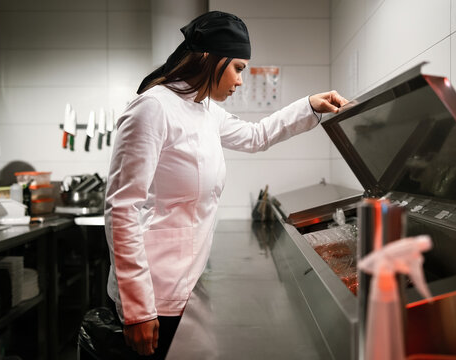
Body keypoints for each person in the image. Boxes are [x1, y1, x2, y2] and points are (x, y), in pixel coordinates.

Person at [104, 10, 348, 359]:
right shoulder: (153, 109)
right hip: (152, 296)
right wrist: (136, 308)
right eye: (237, 69)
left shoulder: (204, 110)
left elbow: (256, 136)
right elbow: (121, 211)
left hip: (184, 285)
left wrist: (309, 106)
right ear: (209, 58)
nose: (239, 81)